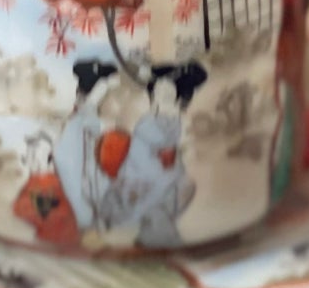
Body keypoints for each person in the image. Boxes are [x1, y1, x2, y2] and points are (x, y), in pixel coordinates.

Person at [107, 60, 208, 246]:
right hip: (142, 181)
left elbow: (174, 143)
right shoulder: (147, 124)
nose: (162, 98)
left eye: (168, 94)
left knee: (165, 207)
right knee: (156, 212)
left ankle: (156, 236)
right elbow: (149, 152)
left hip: (163, 180)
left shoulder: (173, 122)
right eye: (159, 93)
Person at [53, 57, 117, 233]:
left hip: (82, 191)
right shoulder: (84, 122)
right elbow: (82, 168)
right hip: (82, 202)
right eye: (104, 90)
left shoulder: (84, 118)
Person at [12, 133, 78, 244]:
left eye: (30, 154)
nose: (25, 159)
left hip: (52, 244)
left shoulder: (46, 186)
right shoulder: (38, 180)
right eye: (28, 154)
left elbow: (28, 213)